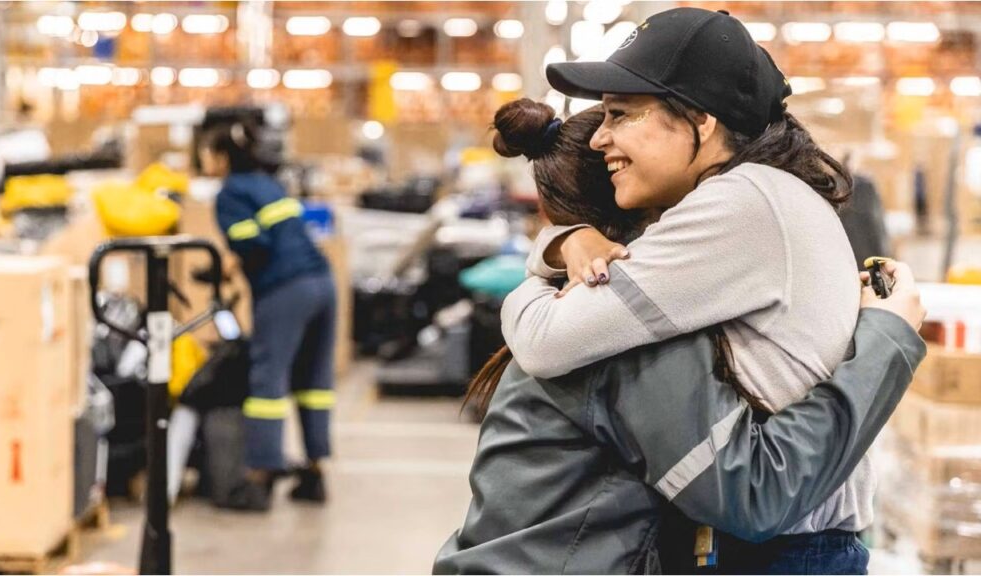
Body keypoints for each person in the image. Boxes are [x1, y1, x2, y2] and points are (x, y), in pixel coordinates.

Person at [434, 101, 927, 574]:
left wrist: (555, 244)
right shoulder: (626, 333)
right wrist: (887, 339)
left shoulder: (574, 302)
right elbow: (753, 494)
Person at [500, 7, 880, 568]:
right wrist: (562, 242)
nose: (601, 137)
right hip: (786, 542)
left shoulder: (738, 204)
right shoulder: (763, 195)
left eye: (621, 114)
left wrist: (550, 251)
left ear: (701, 121)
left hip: (786, 552)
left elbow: (544, 339)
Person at [199, 122, 335, 509]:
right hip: (321, 282)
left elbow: (254, 244)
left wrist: (226, 266)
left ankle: (258, 479)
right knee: (313, 380)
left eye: (208, 152)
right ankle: (314, 473)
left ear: (222, 157)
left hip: (284, 288)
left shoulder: (229, 193)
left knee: (268, 379)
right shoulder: (267, 183)